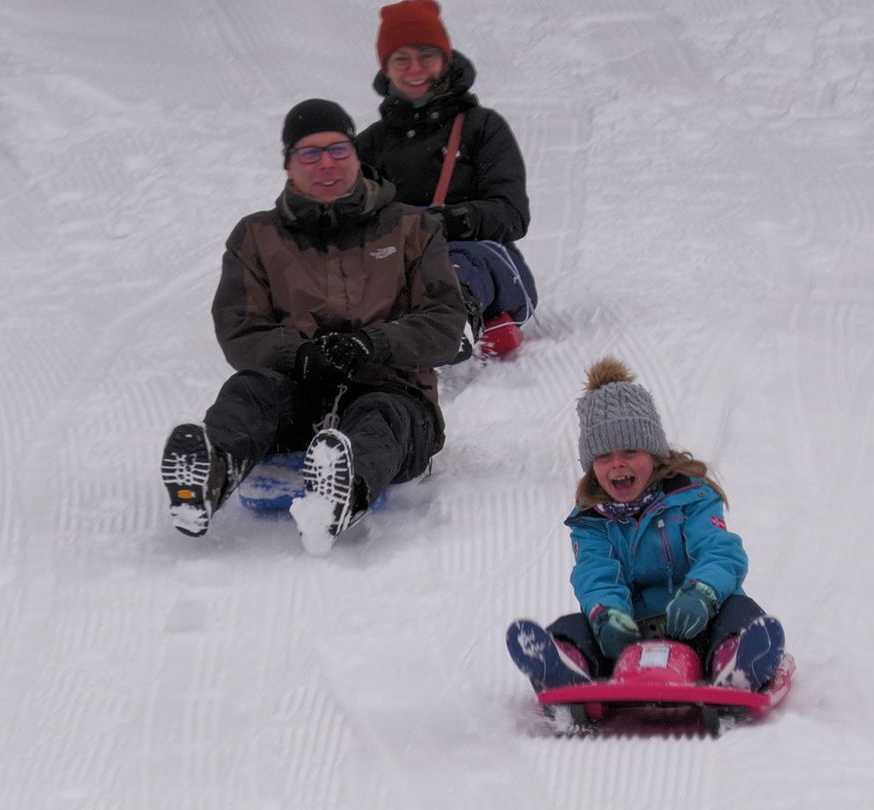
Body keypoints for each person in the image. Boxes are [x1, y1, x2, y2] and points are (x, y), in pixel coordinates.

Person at [160, 98, 467, 554]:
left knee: (381, 418)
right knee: (250, 391)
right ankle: (210, 472)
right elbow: (239, 328)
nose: (326, 163)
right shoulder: (257, 237)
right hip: (295, 393)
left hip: (393, 389)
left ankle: (343, 492)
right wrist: (297, 355)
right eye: (310, 153)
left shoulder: (411, 228)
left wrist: (372, 344)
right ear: (289, 166)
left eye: (338, 150)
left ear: (356, 156)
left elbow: (444, 323)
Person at [506, 358, 787, 692]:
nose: (617, 464)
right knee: (574, 627)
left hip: (699, 621)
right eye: (604, 457)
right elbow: (595, 573)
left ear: (654, 454)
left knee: (740, 612)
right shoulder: (592, 518)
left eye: (629, 451)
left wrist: (702, 594)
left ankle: (737, 662)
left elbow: (719, 551)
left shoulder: (691, 497)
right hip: (628, 635)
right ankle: (566, 668)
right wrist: (606, 616)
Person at [356, 0, 538, 360]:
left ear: (445, 58)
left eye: (426, 56)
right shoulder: (369, 145)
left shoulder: (482, 128)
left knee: (454, 266)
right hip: (395, 261)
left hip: (476, 257)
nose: (415, 69)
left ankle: (455, 326)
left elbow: (512, 213)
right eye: (401, 59)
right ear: (387, 69)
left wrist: (449, 221)